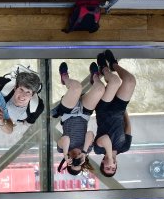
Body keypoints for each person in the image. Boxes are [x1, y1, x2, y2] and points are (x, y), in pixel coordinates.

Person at [55, 60, 105, 175]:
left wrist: (66, 154)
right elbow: (90, 134)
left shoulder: (62, 149)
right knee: (100, 89)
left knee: (77, 87)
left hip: (68, 113)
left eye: (73, 164)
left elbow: (66, 138)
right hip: (84, 113)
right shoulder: (86, 150)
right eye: (79, 164)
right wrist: (83, 152)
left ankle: (65, 78)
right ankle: (95, 77)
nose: (76, 161)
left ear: (68, 163)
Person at [93, 49, 136, 177]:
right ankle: (114, 65)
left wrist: (110, 156)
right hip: (119, 110)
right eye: (113, 169)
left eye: (107, 168)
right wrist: (124, 110)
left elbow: (105, 139)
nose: (111, 166)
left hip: (103, 109)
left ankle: (104, 69)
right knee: (130, 81)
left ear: (102, 163)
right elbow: (127, 127)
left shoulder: (98, 149)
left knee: (115, 82)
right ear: (116, 166)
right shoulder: (124, 147)